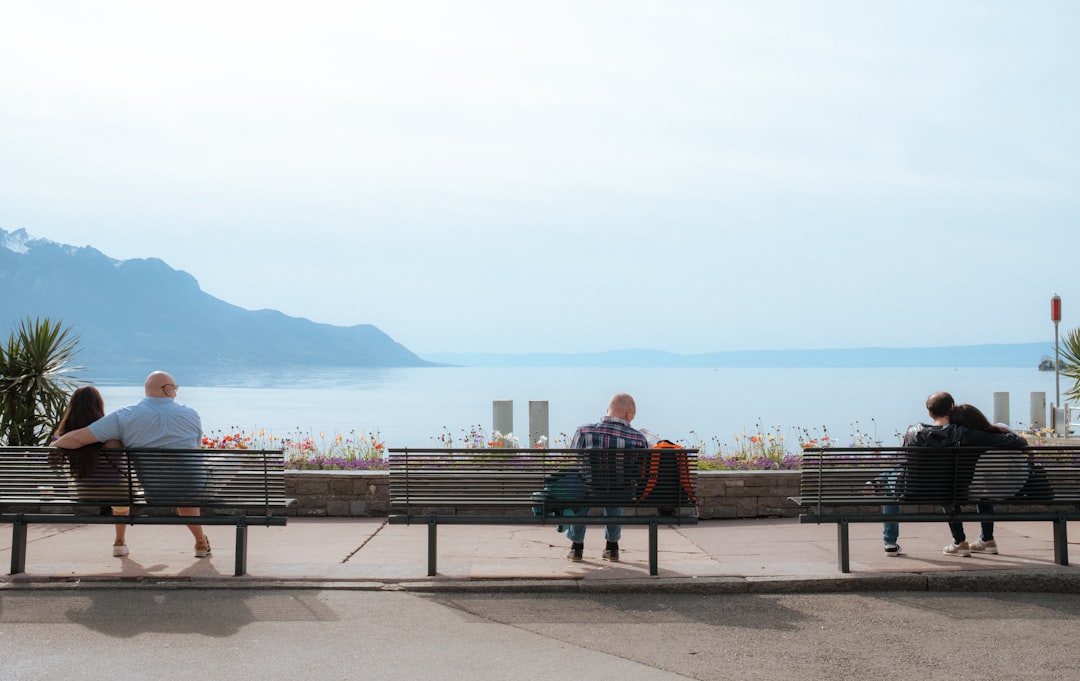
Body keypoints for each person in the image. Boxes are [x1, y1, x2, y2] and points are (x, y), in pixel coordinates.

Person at [52, 371, 212, 558]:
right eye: (175, 388)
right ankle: (200, 540)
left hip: (156, 492)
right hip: (194, 487)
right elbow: (196, 449)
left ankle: (197, 539)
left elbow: (78, 439)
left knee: (177, 484)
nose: (176, 392)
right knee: (187, 483)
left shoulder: (124, 416)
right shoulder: (191, 414)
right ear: (167, 390)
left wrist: (56, 443)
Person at [566, 393, 648, 563]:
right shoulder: (638, 438)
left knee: (582, 488)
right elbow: (641, 468)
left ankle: (576, 547)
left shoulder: (583, 431)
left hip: (589, 490)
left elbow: (576, 455)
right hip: (621, 493)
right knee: (618, 491)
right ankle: (612, 547)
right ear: (629, 412)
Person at [873, 391, 956, 557]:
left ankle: (890, 543)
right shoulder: (961, 433)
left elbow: (904, 461)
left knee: (894, 479)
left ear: (929, 413)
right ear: (952, 408)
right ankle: (959, 540)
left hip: (912, 491)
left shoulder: (913, 433)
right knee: (896, 474)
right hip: (949, 491)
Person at [939, 403, 1027, 557]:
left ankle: (959, 542)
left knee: (949, 494)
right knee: (983, 489)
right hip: (1004, 490)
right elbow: (1020, 442)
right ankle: (987, 539)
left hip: (963, 492)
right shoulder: (993, 435)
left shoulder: (958, 436)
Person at [54, 386, 132, 557]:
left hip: (83, 491)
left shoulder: (62, 436)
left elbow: (53, 463)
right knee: (122, 498)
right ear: (99, 404)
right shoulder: (111, 434)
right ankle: (119, 541)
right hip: (118, 493)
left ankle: (120, 541)